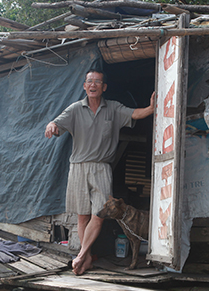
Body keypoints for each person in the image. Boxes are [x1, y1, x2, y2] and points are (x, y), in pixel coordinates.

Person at [45, 69, 155, 275]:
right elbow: (57, 124)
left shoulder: (113, 108)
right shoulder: (75, 109)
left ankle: (80, 254)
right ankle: (86, 260)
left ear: (104, 87)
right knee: (82, 217)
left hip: (102, 167)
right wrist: (51, 125)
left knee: (100, 214)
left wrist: (150, 108)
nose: (93, 85)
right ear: (85, 86)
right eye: (89, 81)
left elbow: (134, 113)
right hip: (78, 167)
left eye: (97, 82)